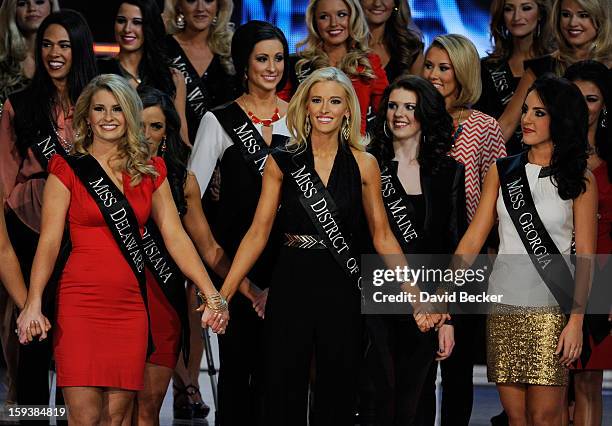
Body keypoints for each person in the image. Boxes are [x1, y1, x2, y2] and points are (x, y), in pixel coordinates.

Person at [216, 66, 438, 426]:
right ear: (304, 107)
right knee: (282, 385)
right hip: (291, 276)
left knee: (338, 385)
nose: (324, 109)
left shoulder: (365, 164)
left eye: (334, 101)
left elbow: (383, 236)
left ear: (347, 109)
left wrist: (415, 295)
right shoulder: (281, 160)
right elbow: (258, 232)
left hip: (341, 283)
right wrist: (222, 295)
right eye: (316, 100)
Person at [16, 73, 228, 424]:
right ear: (86, 116)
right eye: (99, 108)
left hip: (130, 310)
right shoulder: (66, 168)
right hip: (79, 306)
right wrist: (33, 301)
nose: (108, 116)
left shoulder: (151, 171)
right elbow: (49, 242)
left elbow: (176, 238)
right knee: (85, 418)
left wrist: (210, 292)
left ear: (129, 114)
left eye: (117, 108)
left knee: (117, 420)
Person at [454, 74, 596, 426]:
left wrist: (576, 321)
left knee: (545, 418)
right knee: (516, 419)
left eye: (540, 113)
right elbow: (474, 238)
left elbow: (587, 257)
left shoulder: (580, 177)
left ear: (561, 119)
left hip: (551, 310)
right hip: (503, 307)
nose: (527, 120)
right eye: (527, 111)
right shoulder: (503, 171)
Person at [188, 20, 290, 426]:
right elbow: (190, 196)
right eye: (262, 58)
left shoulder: (300, 116)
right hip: (234, 265)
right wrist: (213, 255)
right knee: (236, 372)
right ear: (244, 65)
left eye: (279, 58)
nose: (272, 67)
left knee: (279, 375)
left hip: (288, 265)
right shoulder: (219, 120)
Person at [134, 85, 254, 424]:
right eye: (139, 124)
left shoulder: (181, 182)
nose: (146, 135)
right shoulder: (103, 173)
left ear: (168, 132)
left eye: (155, 126)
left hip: (162, 300)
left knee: (147, 410)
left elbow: (210, 249)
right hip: (114, 297)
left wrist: (248, 291)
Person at [0, 9, 97, 408]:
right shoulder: (19, 105)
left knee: (76, 340)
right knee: (34, 336)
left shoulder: (100, 103)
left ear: (80, 50)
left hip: (85, 229)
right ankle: (35, 417)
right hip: (29, 227)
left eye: (64, 45)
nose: (54, 53)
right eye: (47, 44)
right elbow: (6, 179)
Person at [366, 75, 465, 425]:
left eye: (409, 107)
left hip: (425, 304)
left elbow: (454, 246)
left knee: (416, 402)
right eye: (393, 106)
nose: (399, 114)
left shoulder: (449, 171)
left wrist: (447, 315)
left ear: (425, 113)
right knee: (378, 398)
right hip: (374, 301)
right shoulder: (367, 165)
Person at [421, 33, 507, 426]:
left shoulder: (484, 127)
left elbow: (501, 198)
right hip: (417, 253)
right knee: (417, 368)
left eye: (444, 67)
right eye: (429, 65)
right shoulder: (410, 116)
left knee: (456, 371)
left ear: (464, 72)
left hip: (468, 260)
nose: (435, 75)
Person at [565, 60, 612, 426]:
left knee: (587, 381)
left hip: (603, 274)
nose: (583, 107)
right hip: (551, 271)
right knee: (551, 381)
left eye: (591, 98)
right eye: (574, 98)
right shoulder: (543, 153)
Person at [497, 0, 612, 142]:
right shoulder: (541, 68)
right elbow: (507, 124)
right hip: (554, 160)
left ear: (600, 18)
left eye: (583, 15)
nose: (572, 23)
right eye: (566, 15)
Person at [279, 0, 389, 134]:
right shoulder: (297, 65)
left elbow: (385, 112)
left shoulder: (368, 63)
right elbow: (280, 114)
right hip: (305, 150)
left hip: (355, 149)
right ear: (314, 22)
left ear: (353, 17)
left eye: (341, 15)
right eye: (324, 17)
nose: (334, 23)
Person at [98, 0, 189, 145]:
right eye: (121, 21)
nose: (127, 29)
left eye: (137, 22)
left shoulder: (172, 78)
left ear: (149, 26)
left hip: (158, 164)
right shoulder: (98, 72)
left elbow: (181, 137)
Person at [475, 0, 554, 155]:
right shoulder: (485, 67)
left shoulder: (552, 64)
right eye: (509, 9)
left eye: (526, 8)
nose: (517, 16)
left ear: (540, 14)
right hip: (498, 160)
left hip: (545, 160)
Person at [163, 0, 238, 144]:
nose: (200, 8)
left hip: (223, 152)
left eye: (208, 0)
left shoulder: (230, 51)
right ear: (179, 5)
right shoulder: (163, 49)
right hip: (173, 152)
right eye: (192, 1)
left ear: (219, 6)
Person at [0, 0, 59, 109]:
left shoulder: (67, 57)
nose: (32, 8)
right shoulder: (3, 60)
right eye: (22, 3)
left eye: (39, 2)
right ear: (12, 10)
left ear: (51, 5)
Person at [360, 0, 424, 82]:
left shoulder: (411, 49)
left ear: (396, 3)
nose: (377, 3)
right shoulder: (346, 45)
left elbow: (420, 92)